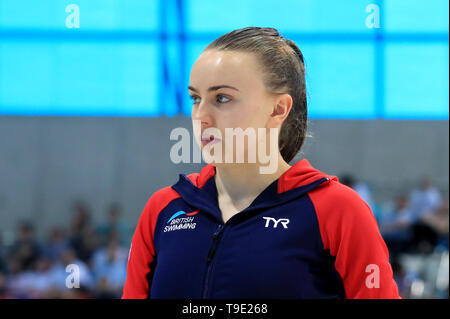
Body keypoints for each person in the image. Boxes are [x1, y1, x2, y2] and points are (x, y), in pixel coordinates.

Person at [122, 27, 400, 299]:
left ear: (278, 109)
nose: (201, 117)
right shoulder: (164, 208)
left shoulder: (337, 211)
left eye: (222, 98)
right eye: (196, 98)